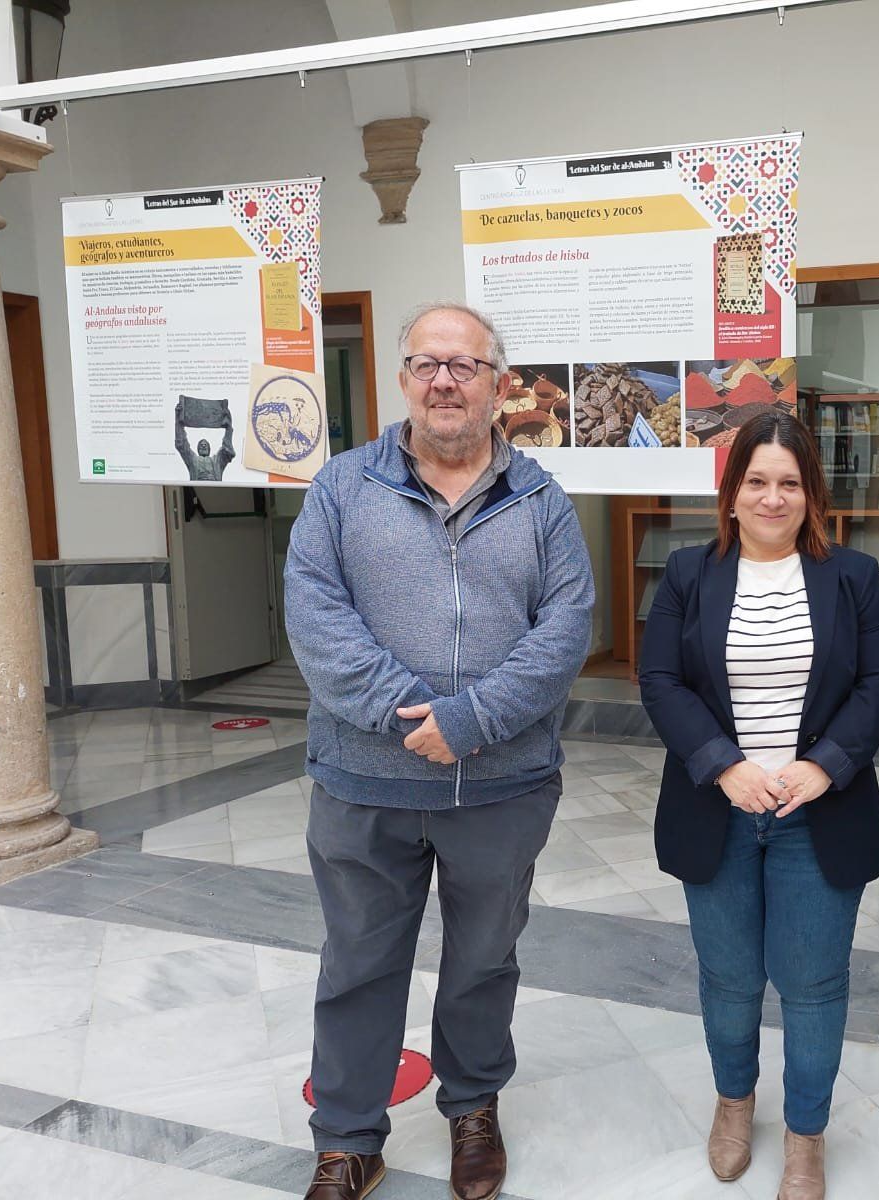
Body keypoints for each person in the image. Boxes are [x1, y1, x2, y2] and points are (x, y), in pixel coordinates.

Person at [284, 301, 594, 1200]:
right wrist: (398, 711)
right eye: (428, 363)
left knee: (484, 959)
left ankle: (472, 1109)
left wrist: (470, 720)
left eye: (465, 366)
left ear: (501, 386)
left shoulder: (540, 499)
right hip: (362, 784)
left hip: (502, 787)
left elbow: (565, 630)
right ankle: (347, 1139)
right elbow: (314, 614)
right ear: (404, 379)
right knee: (357, 962)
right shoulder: (342, 488)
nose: (445, 380)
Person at [639, 411, 879, 1200]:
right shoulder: (690, 573)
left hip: (818, 813)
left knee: (814, 984)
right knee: (728, 980)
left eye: (790, 483)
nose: (772, 497)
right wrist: (723, 766)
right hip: (716, 809)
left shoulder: (850, 577)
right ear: (731, 493)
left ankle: (805, 1137)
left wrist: (827, 765)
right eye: (757, 481)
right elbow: (660, 681)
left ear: (811, 494)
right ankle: (733, 1104)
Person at [174, 395, 236, 480]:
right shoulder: (193, 459)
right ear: (197, 449)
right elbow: (181, 444)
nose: (203, 446)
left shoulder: (217, 461)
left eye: (205, 445)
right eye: (201, 445)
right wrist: (178, 421)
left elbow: (227, 451)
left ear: (210, 449)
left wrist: (228, 429)